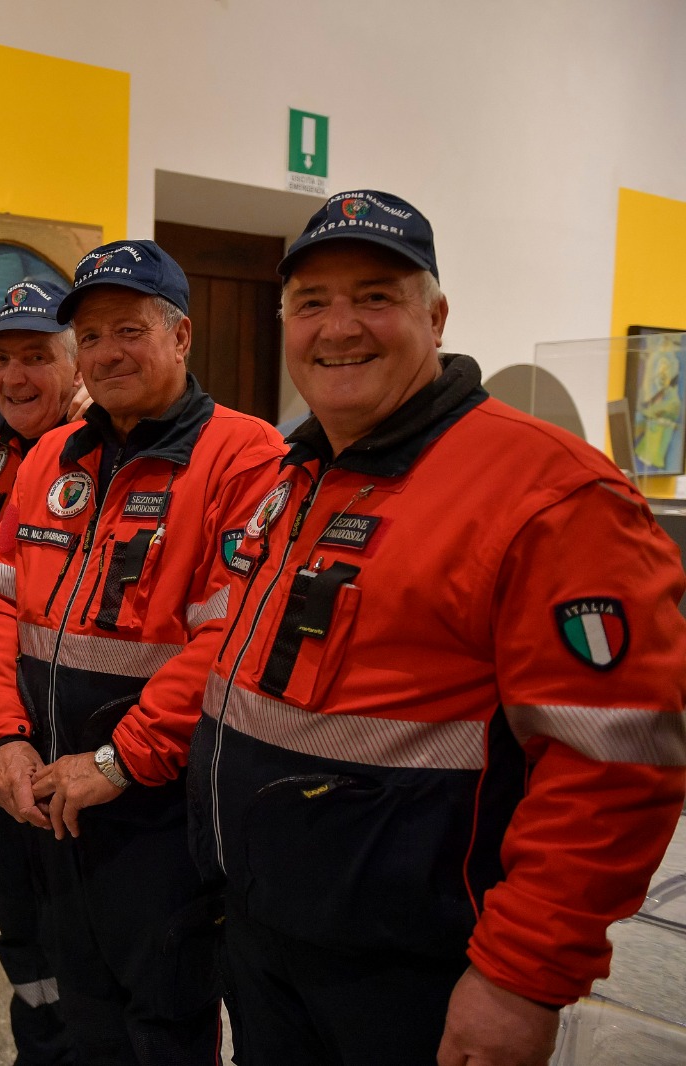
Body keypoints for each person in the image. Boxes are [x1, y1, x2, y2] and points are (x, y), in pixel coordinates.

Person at [178, 190, 686, 1066]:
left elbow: (617, 761)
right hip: (265, 937)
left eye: (375, 296)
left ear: (437, 314)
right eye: (310, 303)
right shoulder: (297, 474)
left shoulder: (551, 494)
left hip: (418, 975)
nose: (338, 327)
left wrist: (519, 978)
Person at [0, 242, 285, 1064]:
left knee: (166, 1019)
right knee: (84, 1010)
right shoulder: (50, 455)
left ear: (181, 337)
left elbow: (230, 637)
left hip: (159, 810)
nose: (108, 352)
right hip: (50, 793)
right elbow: (0, 601)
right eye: (93, 335)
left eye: (130, 330)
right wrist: (1, 734)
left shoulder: (245, 457)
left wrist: (118, 760)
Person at [0, 279, 81, 1066]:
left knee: (81, 919)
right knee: (19, 913)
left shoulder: (108, 446)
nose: (16, 375)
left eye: (38, 356)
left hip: (73, 727)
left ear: (76, 364)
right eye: (2, 358)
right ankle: (41, 1046)